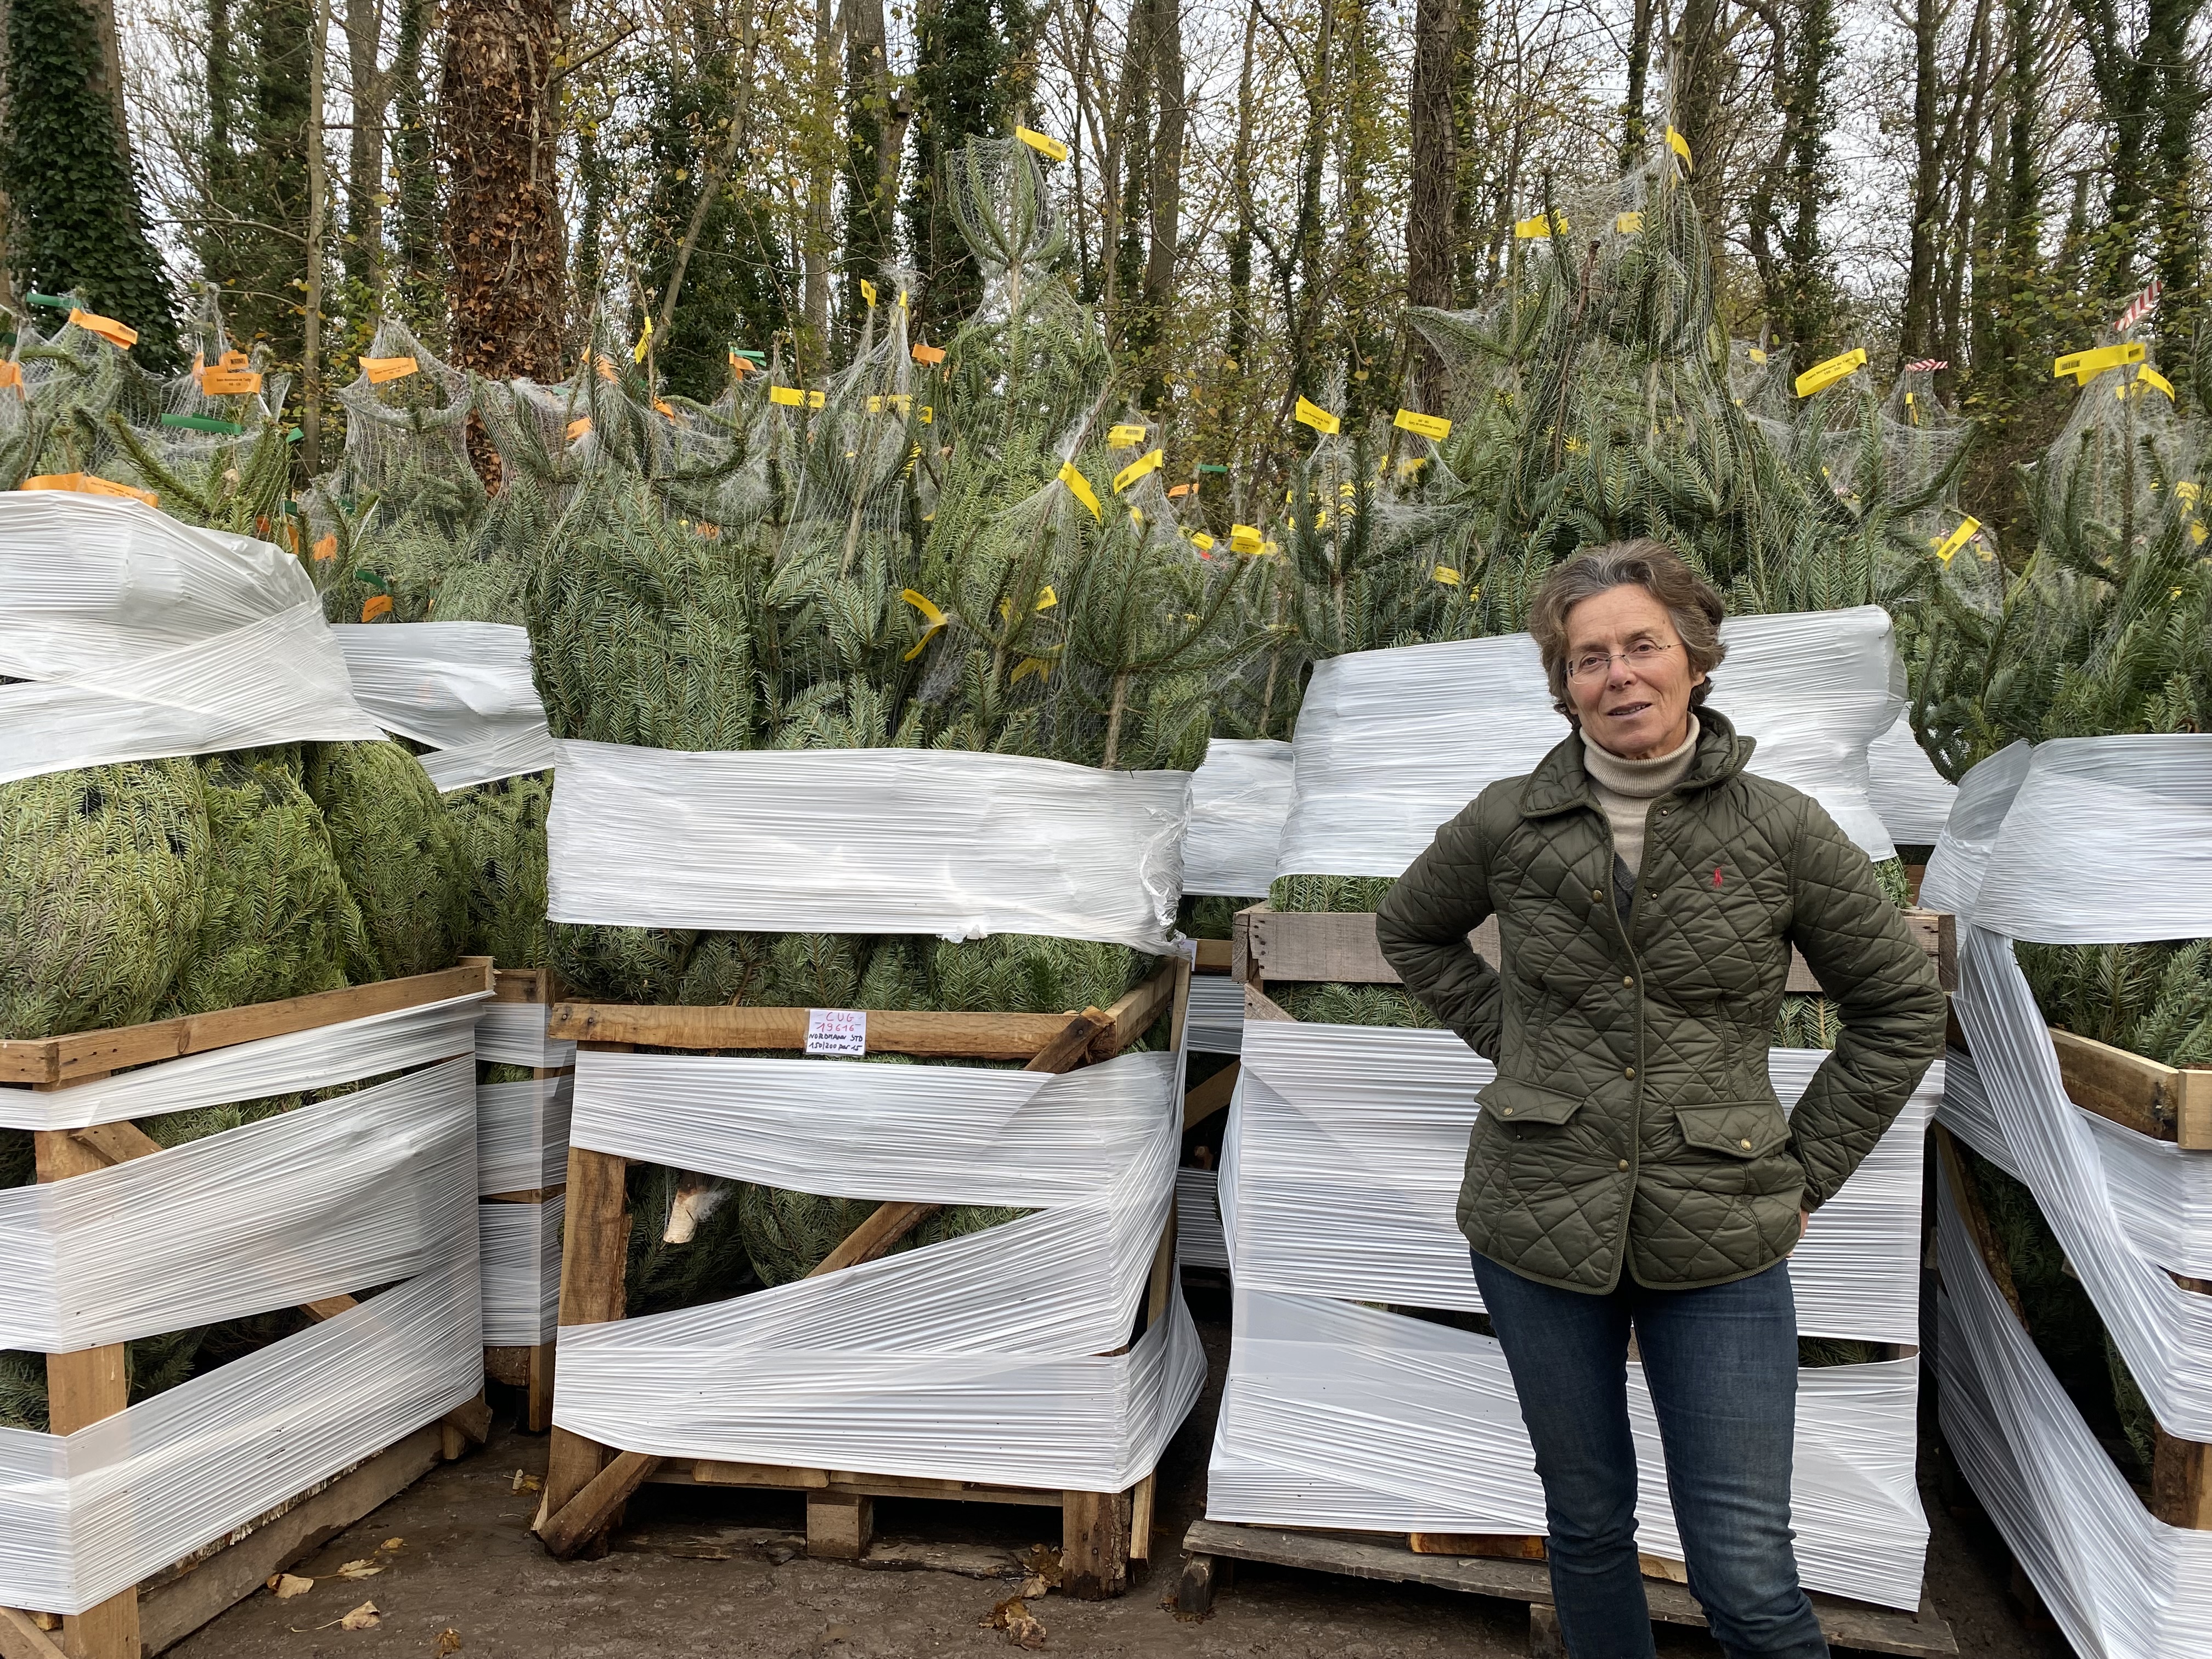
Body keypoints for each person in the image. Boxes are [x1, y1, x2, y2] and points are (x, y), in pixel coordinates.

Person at [1374, 540, 1946, 1659]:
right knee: (1586, 1529)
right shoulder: (1508, 821)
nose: (1619, 675)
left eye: (1643, 646)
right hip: (1537, 1216)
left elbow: (1900, 1011)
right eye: (1590, 658)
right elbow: (1410, 930)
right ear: (1562, 682)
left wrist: (1805, 1172)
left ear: (1693, 659)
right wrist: (1521, 1046)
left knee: (1746, 1568)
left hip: (1724, 1228)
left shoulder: (1780, 828)